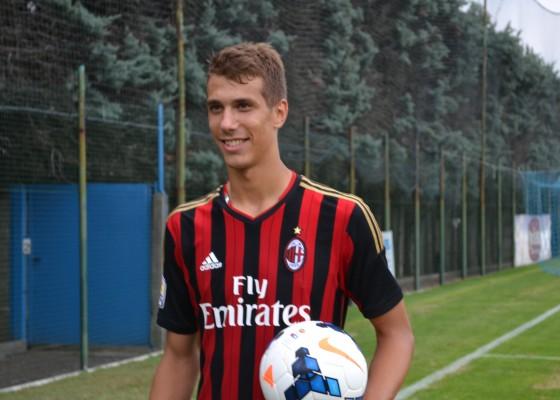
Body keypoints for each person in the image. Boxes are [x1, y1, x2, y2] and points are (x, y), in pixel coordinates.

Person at [149, 42, 414, 400]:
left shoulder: (341, 218)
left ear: (279, 112)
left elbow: (397, 334)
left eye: (243, 106)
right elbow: (179, 357)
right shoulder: (185, 227)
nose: (227, 123)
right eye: (216, 108)